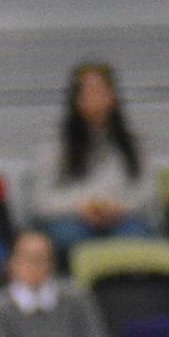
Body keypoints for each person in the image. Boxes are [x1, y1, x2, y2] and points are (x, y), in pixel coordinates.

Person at [29, 61, 154, 256]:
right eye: (87, 92)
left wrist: (120, 207)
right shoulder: (55, 142)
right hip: (72, 219)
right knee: (68, 237)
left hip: (122, 218)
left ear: (113, 97)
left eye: (100, 91)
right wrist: (80, 208)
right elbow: (40, 200)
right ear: (76, 100)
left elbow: (148, 193)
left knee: (137, 236)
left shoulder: (134, 142)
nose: (94, 97)